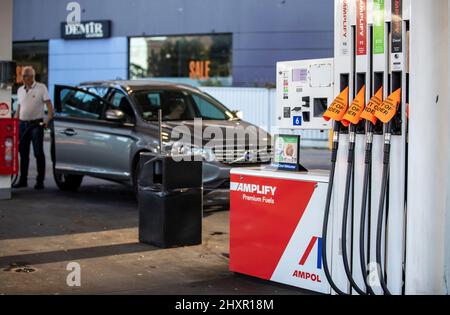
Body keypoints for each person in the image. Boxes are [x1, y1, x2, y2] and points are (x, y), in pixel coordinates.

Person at [13, 66, 54, 190]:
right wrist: (15, 121)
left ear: (31, 76)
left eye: (25, 75)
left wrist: (48, 119)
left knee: (38, 153)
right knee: (23, 154)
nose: (23, 78)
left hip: (37, 124)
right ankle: (23, 180)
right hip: (22, 124)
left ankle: (40, 181)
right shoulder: (20, 90)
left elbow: (49, 105)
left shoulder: (41, 87)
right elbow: (19, 108)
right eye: (23, 75)